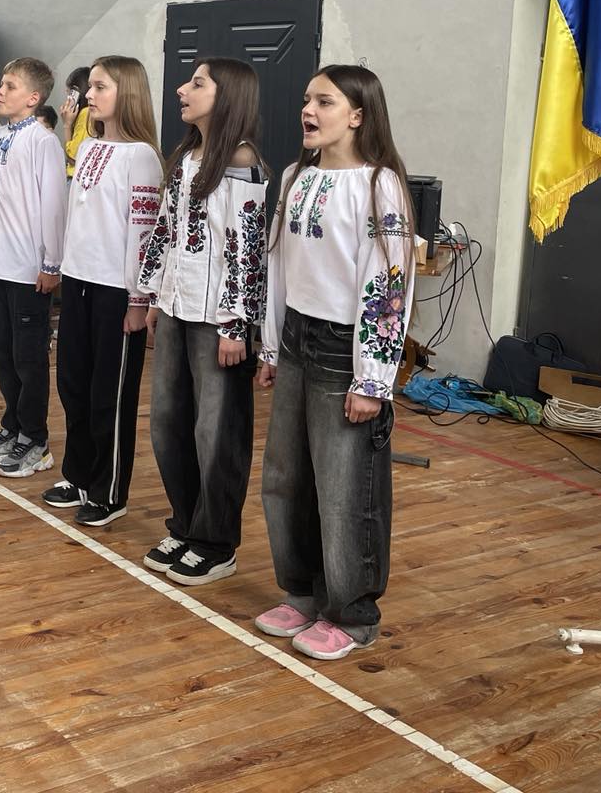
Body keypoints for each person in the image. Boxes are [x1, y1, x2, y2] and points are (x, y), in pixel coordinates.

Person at [255, 65, 415, 661]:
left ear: (357, 115)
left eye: (324, 101)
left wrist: (372, 377)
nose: (309, 110)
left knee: (345, 487)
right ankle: (302, 591)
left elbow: (388, 285)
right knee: (286, 477)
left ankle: (352, 612)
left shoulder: (380, 185)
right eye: (307, 99)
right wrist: (272, 344)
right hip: (297, 337)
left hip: (345, 347)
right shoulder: (295, 176)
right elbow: (277, 264)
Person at [139, 58, 268, 587]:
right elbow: (165, 229)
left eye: (197, 83)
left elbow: (248, 247)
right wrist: (152, 292)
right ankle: (186, 522)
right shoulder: (185, 156)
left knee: (216, 432)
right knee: (168, 423)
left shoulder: (242, 161)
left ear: (228, 96)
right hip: (175, 306)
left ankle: (215, 542)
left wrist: (237, 325)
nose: (182, 89)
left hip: (217, 319)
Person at [48, 55, 161, 528]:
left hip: (117, 291)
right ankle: (77, 474)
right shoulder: (91, 147)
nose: (88, 96)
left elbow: (144, 232)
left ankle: (109, 490)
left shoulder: (142, 156)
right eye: (89, 87)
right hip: (79, 280)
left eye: (99, 87)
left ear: (126, 93)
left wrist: (139, 299)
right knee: (73, 384)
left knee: (108, 395)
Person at [0, 57, 66, 478]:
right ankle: (11, 426)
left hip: (29, 268)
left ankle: (35, 438)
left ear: (33, 97)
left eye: (10, 86)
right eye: (1, 84)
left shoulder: (43, 141)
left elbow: (53, 205)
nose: (0, 91)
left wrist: (51, 262)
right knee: (3, 353)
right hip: (0, 264)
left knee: (29, 359)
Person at [59, 66, 93, 178]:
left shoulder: (86, 113)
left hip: (75, 177)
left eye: (69, 92)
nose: (68, 97)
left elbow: (73, 157)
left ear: (76, 92)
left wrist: (67, 125)